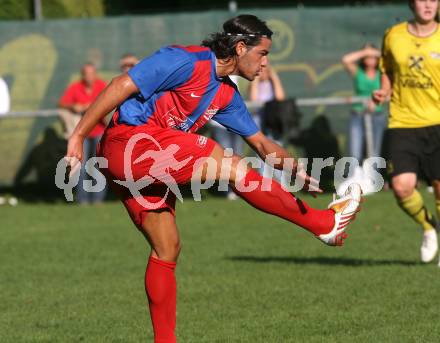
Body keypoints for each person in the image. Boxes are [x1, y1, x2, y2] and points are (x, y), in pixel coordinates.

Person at [65, 15, 362, 342]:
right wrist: (79, 135)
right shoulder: (186, 60)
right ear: (239, 48)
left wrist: (296, 169)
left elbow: (262, 144)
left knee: (167, 249)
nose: (265, 64)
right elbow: (121, 85)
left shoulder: (226, 94)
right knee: (231, 166)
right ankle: (324, 224)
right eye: (262, 54)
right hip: (130, 143)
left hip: (137, 162)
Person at [373, 0, 440, 264]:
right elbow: (386, 70)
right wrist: (384, 90)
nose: (429, 4)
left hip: (437, 122)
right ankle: (429, 227)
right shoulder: (394, 35)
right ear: (412, 4)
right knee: (402, 188)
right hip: (402, 122)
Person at [59, 63, 107, 204]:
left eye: (92, 73)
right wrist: (74, 106)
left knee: (98, 165)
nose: (89, 76)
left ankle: (98, 199)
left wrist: (92, 107)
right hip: (82, 133)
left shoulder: (101, 86)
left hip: (100, 130)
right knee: (81, 166)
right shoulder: (75, 87)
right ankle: (82, 199)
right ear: (82, 75)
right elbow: (62, 103)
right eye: (86, 73)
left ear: (95, 74)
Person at [342, 44, 386, 162]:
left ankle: (374, 178)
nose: (370, 58)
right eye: (367, 56)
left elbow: (390, 57)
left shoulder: (383, 73)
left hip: (377, 115)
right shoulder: (358, 72)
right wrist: (366, 52)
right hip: (358, 114)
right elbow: (346, 60)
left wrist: (373, 52)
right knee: (355, 152)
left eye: (373, 56)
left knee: (375, 153)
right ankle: (356, 177)